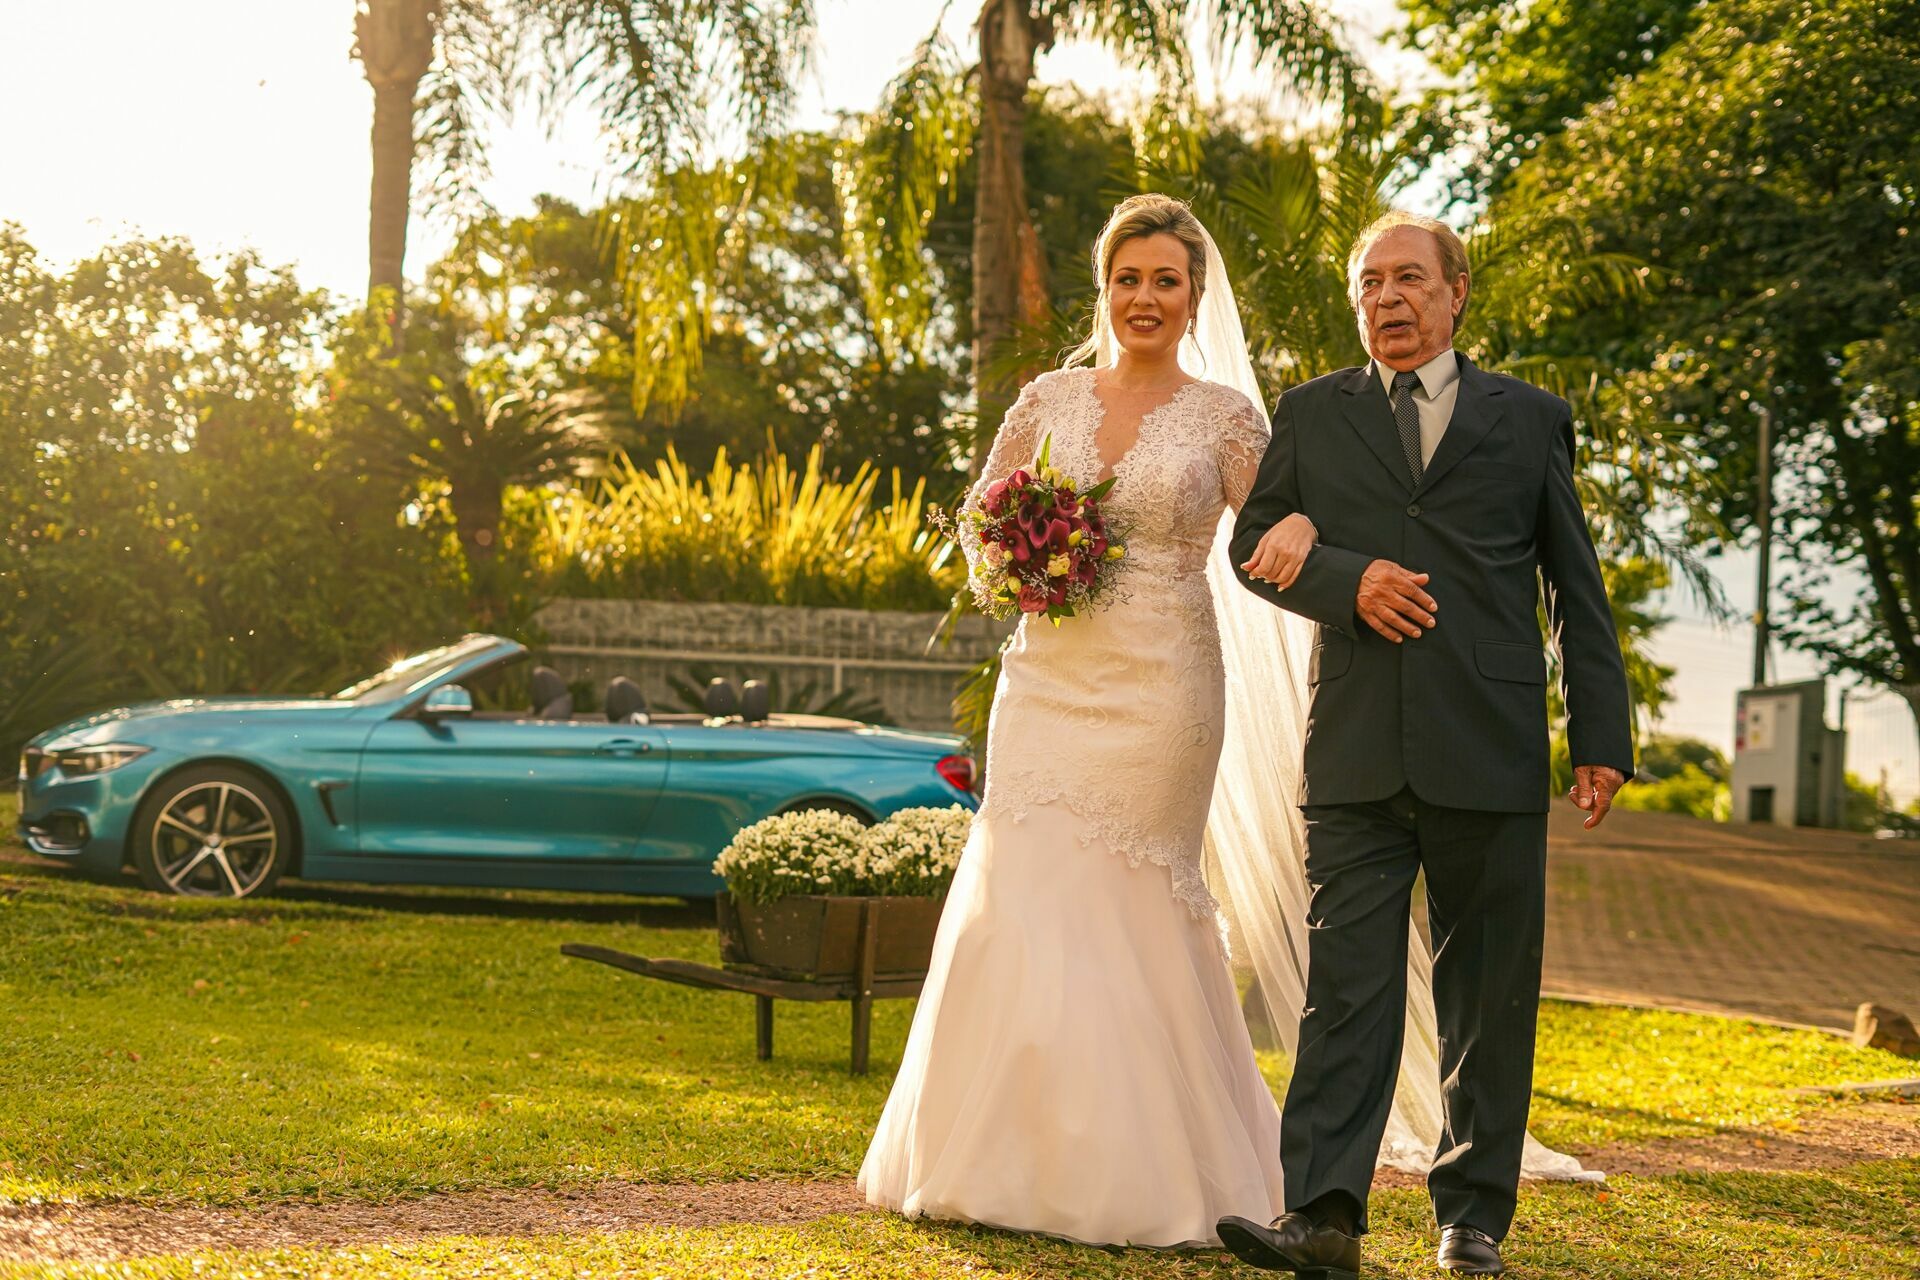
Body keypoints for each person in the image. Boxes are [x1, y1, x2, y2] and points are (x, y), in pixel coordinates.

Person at [858, 192, 1296, 1247]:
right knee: (1031, 884)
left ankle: (1150, 1168)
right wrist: (1018, 551)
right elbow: (980, 521)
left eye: (1166, 281)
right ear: (1104, 289)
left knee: (1133, 891)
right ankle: (995, 1156)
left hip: (1164, 686)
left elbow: (1274, 526)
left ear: (1195, 298)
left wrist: (1313, 519)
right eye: (1128, 278)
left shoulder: (1227, 415)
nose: (1145, 297)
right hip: (1048, 675)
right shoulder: (1049, 395)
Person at [1215, 211, 1634, 1278]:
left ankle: (1472, 1217)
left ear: (1455, 293)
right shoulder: (1310, 414)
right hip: (1354, 744)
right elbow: (1250, 548)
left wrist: (1602, 732)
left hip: (1488, 743)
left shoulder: (1531, 419)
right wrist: (1342, 579)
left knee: (1486, 992)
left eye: (1408, 279)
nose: (1387, 299)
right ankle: (1323, 1216)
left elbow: (1573, 590)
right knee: (1345, 986)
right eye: (1369, 284)